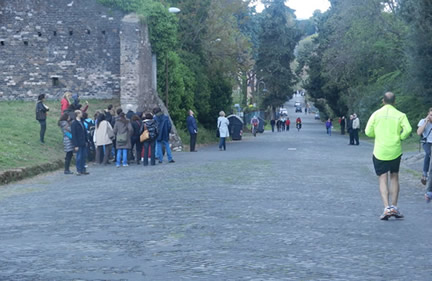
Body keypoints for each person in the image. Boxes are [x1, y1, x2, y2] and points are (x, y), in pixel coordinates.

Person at [365, 92, 412, 220]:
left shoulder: (376, 114)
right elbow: (408, 129)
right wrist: (400, 137)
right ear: (395, 102)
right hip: (395, 150)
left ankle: (386, 208)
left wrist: (378, 135)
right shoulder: (400, 115)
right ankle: (394, 207)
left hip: (380, 150)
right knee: (395, 177)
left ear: (383, 101)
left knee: (382, 178)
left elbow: (368, 132)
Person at [71, 110, 89, 175]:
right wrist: (75, 145)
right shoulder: (74, 123)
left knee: (83, 156)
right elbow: (74, 135)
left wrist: (86, 140)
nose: (82, 114)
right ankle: (78, 170)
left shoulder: (81, 122)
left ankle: (83, 169)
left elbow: (84, 132)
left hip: (83, 142)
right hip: (78, 143)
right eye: (80, 113)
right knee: (79, 157)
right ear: (77, 114)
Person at [417, 108, 432, 186]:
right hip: (427, 142)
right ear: (428, 114)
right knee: (428, 153)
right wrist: (426, 122)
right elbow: (419, 132)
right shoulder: (423, 121)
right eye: (431, 115)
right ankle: (424, 173)